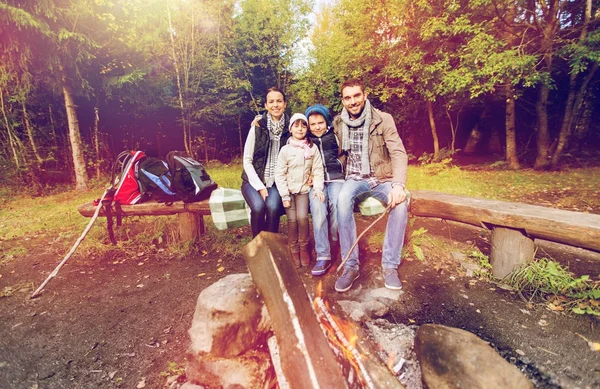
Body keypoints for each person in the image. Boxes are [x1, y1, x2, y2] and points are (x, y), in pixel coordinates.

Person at [332, 78, 409, 292]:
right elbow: (321, 143)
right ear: (343, 100)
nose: (353, 101)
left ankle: (390, 266)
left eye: (357, 95)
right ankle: (350, 266)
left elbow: (398, 153)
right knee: (342, 200)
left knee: (401, 203)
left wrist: (398, 185)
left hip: (381, 178)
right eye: (348, 97)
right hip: (354, 178)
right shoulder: (338, 122)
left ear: (365, 95)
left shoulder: (383, 119)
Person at [275, 113, 325, 267]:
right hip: (288, 191)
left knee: (302, 218)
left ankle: (304, 248)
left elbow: (317, 169)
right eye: (296, 125)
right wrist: (284, 195)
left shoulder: (311, 148)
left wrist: (318, 188)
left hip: (303, 190)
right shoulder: (285, 150)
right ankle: (294, 249)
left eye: (303, 125)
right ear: (290, 129)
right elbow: (280, 173)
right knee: (292, 220)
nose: (300, 129)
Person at [241, 87, 290, 237]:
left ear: (285, 104)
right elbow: (247, 161)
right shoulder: (257, 127)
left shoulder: (291, 128)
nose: (275, 105)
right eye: (271, 101)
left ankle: (272, 245)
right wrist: (260, 187)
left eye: (279, 101)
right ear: (266, 105)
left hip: (275, 182)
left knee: (273, 207)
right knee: (258, 207)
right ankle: (258, 245)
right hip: (253, 180)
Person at [305, 104, 345, 276]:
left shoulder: (335, 136)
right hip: (316, 184)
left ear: (326, 122)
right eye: (313, 124)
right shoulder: (305, 141)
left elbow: (345, 154)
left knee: (338, 205)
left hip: (336, 178)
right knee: (318, 209)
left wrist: (341, 165)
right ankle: (323, 254)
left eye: (320, 122)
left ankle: (336, 242)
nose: (317, 127)